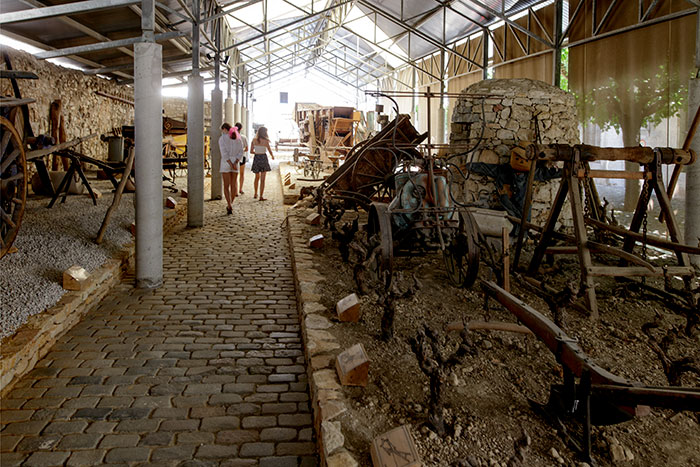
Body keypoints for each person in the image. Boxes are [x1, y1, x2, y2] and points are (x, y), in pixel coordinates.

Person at [218, 123, 242, 214]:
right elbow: (241, 151)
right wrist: (235, 162)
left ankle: (229, 204)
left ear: (224, 129)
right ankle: (231, 202)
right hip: (235, 162)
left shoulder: (222, 139)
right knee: (234, 185)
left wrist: (230, 163)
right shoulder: (238, 138)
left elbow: (223, 152)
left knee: (226, 186)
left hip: (225, 162)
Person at [250, 126, 275, 201]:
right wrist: (272, 156)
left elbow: (251, 151)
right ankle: (261, 196)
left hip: (257, 158)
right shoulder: (266, 141)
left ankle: (255, 193)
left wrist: (257, 152)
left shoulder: (254, 140)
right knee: (263, 179)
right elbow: (269, 150)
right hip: (263, 158)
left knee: (256, 177)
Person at [235, 122, 248, 195]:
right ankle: (240, 189)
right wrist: (241, 150)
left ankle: (236, 191)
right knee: (242, 174)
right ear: (241, 128)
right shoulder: (243, 137)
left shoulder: (232, 137)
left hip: (234, 157)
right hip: (242, 156)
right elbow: (247, 149)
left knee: (235, 174)